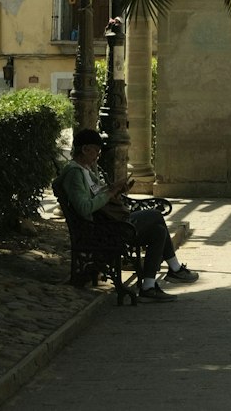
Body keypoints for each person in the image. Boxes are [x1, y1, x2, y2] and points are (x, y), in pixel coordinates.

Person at [59, 129, 198, 301]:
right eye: (96, 151)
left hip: (108, 223)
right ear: (86, 149)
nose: (97, 156)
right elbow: (84, 207)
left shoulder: (86, 170)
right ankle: (175, 269)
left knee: (158, 232)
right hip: (101, 229)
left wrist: (116, 189)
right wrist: (109, 194)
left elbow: (98, 195)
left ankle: (148, 287)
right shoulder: (75, 173)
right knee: (155, 215)